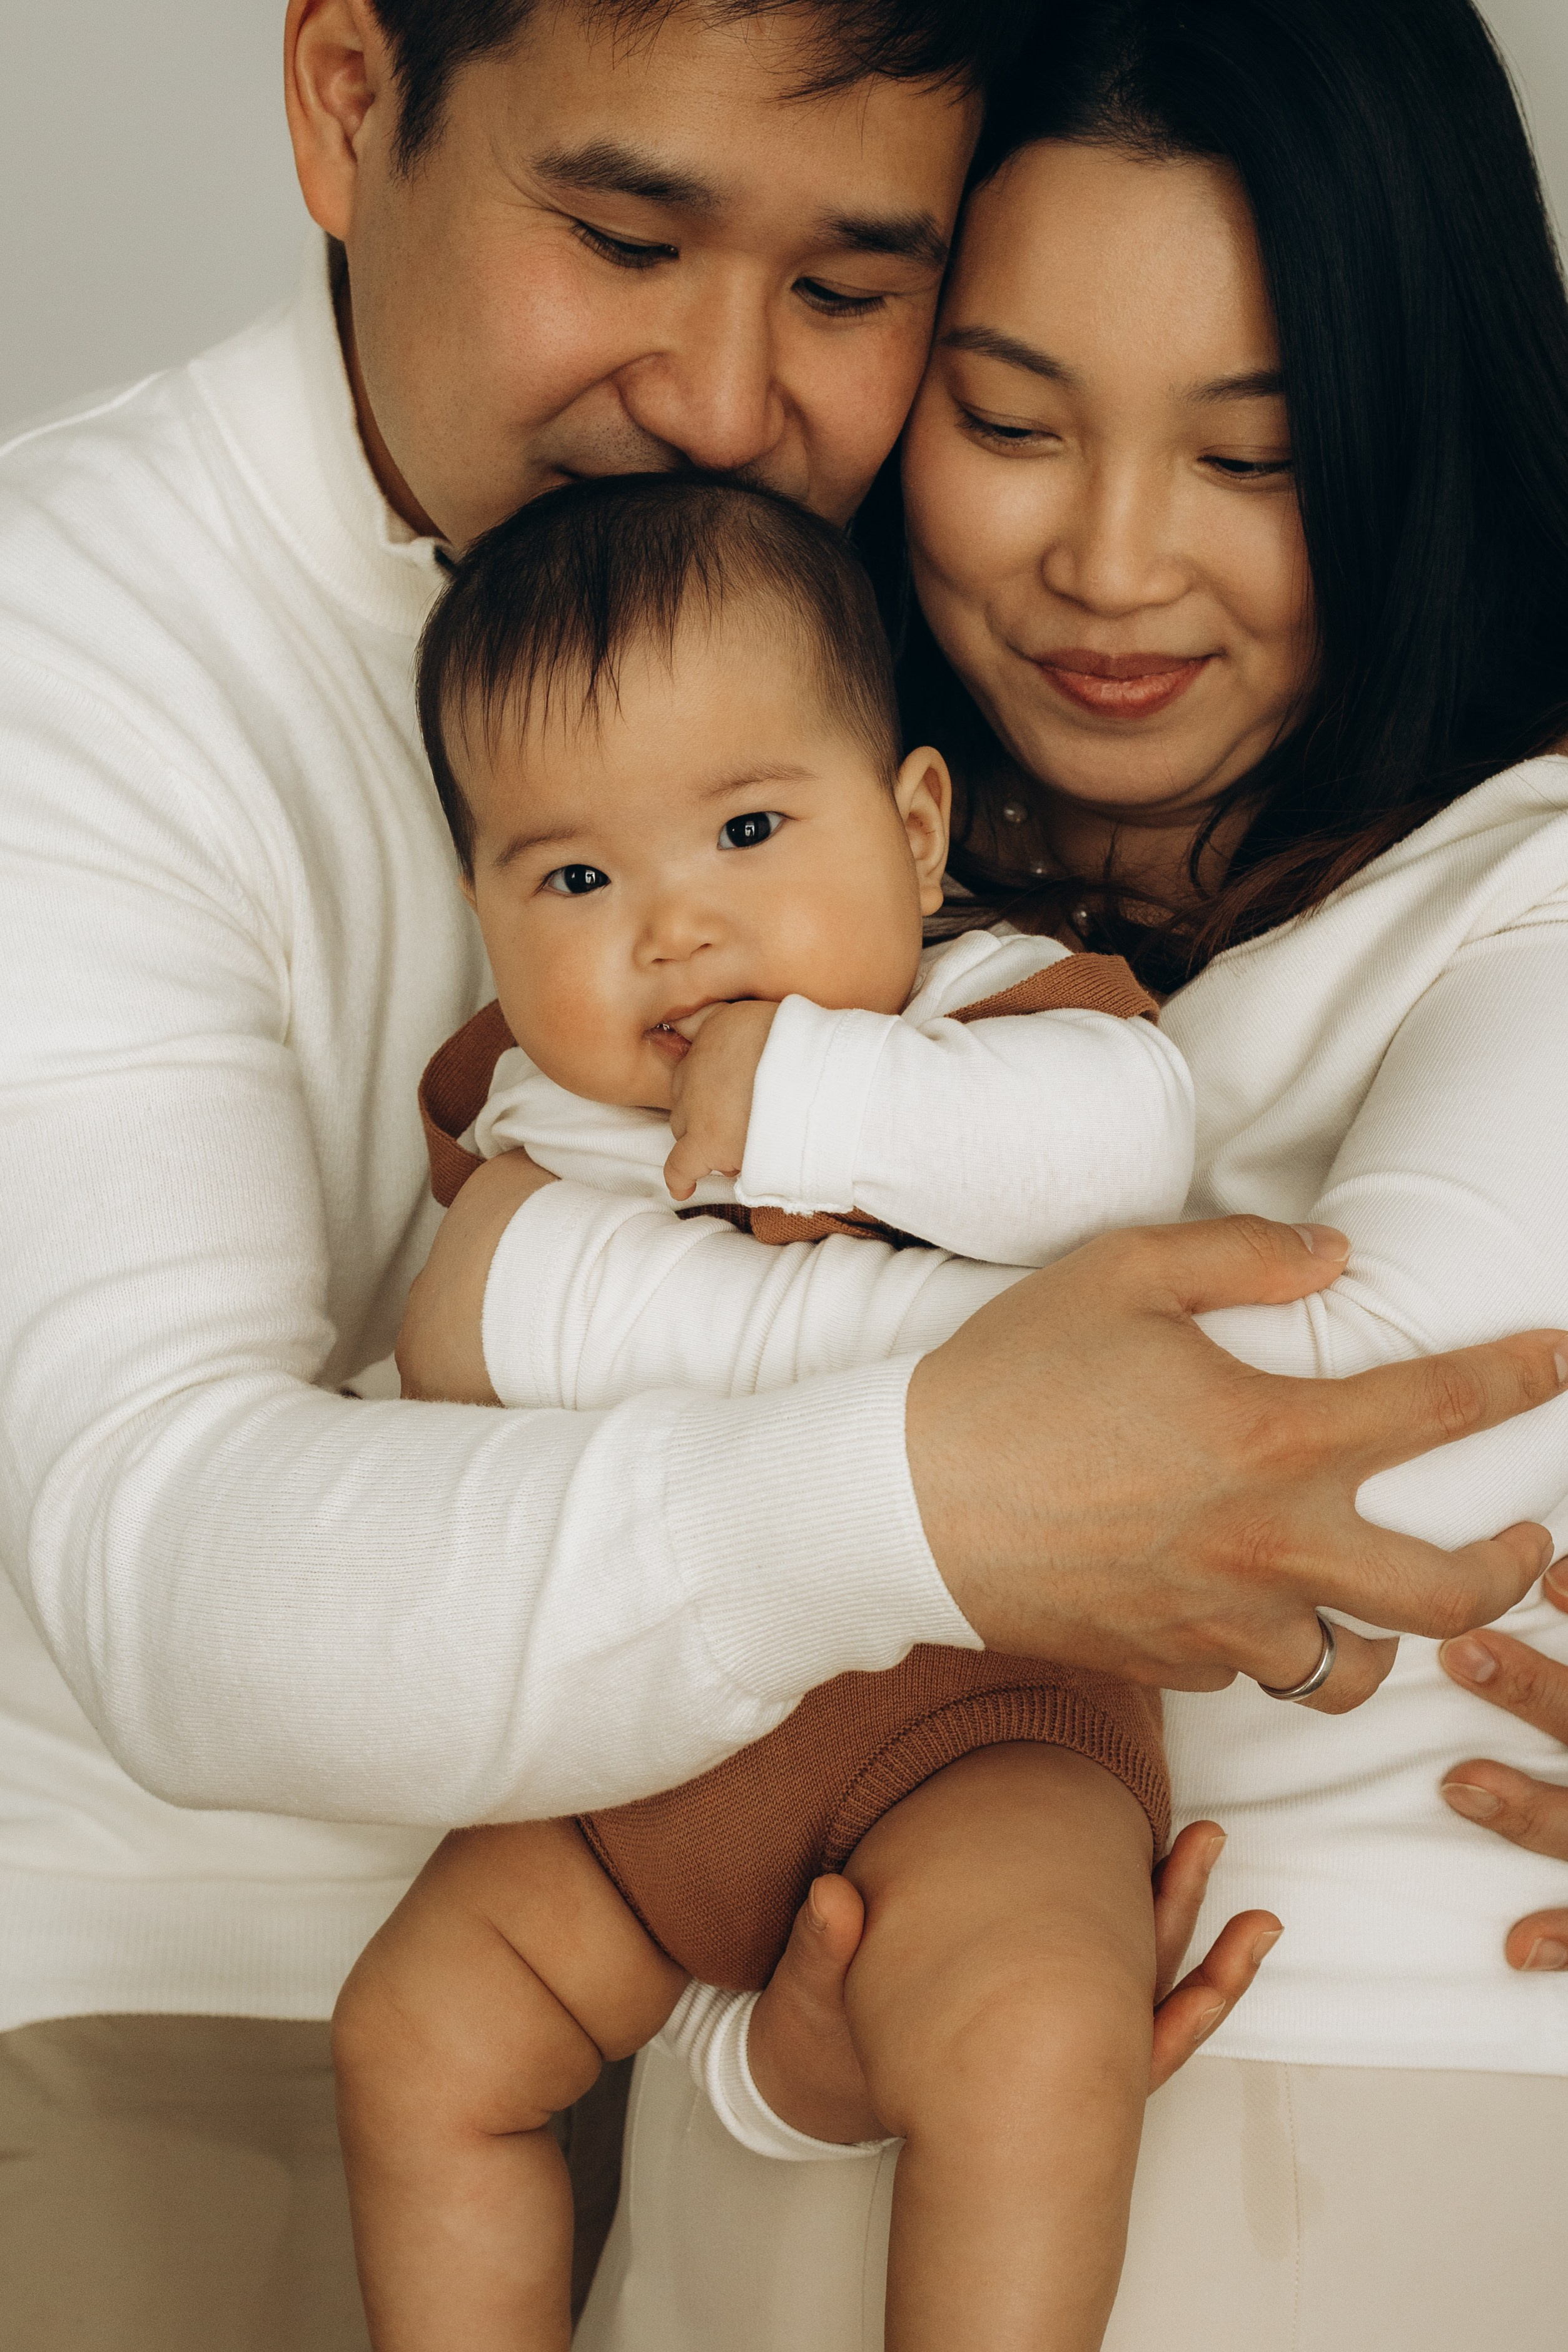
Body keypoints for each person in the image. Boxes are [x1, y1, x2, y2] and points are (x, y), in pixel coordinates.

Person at [0, 1, 1559, 2344]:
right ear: (344, 101)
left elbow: (1308, 1431)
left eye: (851, 296)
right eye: (625, 234)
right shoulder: (82, 645)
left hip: (873, 2003)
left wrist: (565, 1302)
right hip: (278, 1998)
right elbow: (167, 1558)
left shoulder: (1001, 795)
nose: (733, 405)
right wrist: (934, 1466)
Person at [334, 469, 1210, 2351]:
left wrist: (808, 1097)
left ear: (909, 831)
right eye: (573, 875)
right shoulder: (517, 1106)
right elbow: (445, 1359)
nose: (670, 925)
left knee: (1040, 2031)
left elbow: (1127, 1157)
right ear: (484, 913)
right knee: (416, 2039)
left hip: (965, 1723)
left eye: (744, 825)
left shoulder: (986, 1019)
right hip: (629, 1766)